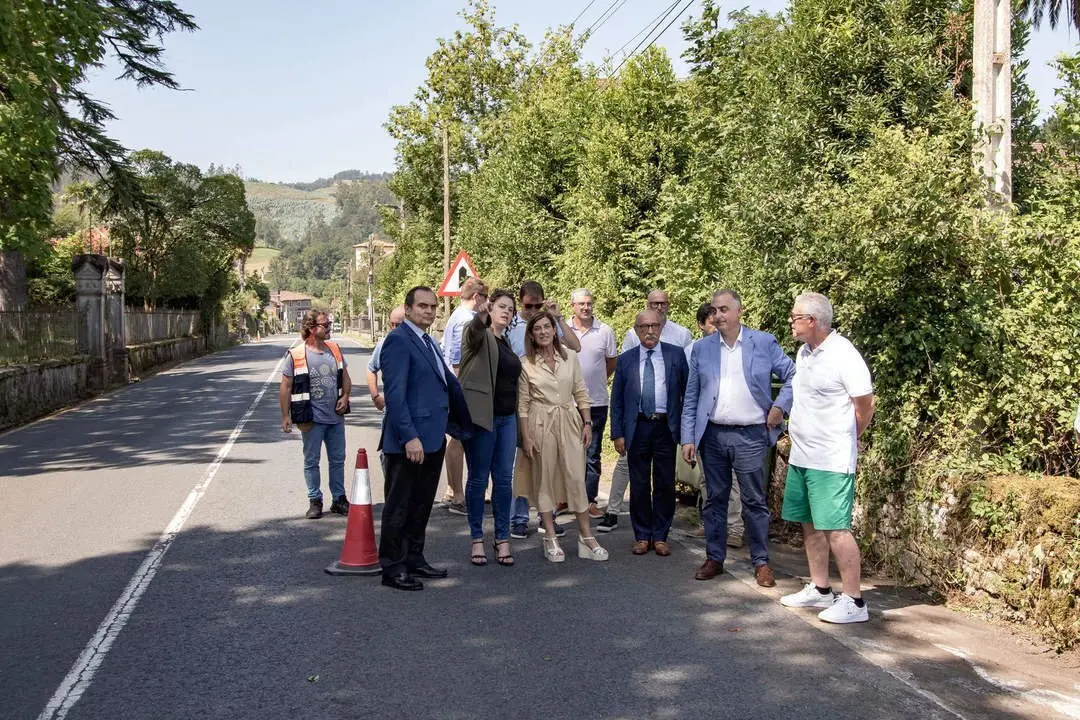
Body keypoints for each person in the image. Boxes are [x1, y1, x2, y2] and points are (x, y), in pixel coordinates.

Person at [681, 289, 795, 587]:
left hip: (751, 435)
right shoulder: (702, 349)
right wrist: (688, 437)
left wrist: (780, 406)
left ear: (739, 311)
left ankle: (761, 562)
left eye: (724, 309)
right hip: (713, 435)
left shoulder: (763, 342)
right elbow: (691, 396)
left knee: (754, 501)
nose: (718, 315)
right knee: (715, 499)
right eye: (714, 310)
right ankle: (714, 558)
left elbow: (793, 375)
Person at [779, 292, 875, 622]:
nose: (791, 322)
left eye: (795, 317)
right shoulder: (804, 352)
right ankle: (821, 589)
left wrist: (850, 436)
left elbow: (865, 404)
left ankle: (854, 601)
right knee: (810, 524)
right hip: (803, 456)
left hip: (831, 459)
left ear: (812, 321)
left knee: (836, 528)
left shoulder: (843, 354)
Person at [378, 286, 472, 591]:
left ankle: (414, 558)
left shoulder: (427, 340)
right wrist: (410, 437)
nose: (429, 311)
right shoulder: (398, 340)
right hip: (411, 442)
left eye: (433, 306)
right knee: (400, 506)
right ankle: (393, 567)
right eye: (422, 306)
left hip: (433, 437)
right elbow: (395, 395)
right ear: (407, 309)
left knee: (421, 505)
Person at [517, 311, 608, 563]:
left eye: (547, 326)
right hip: (540, 421)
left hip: (569, 420)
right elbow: (522, 404)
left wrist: (587, 422)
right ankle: (550, 537)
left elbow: (581, 391)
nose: (543, 332)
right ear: (531, 335)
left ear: (554, 329)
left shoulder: (570, 357)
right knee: (544, 477)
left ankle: (586, 537)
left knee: (576, 477)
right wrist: (526, 437)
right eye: (537, 328)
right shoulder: (526, 364)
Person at [600, 289, 693, 533]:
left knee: (664, 484)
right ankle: (641, 534)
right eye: (644, 327)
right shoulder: (627, 359)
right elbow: (617, 399)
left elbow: (687, 395)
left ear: (661, 328)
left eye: (654, 326)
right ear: (637, 330)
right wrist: (618, 433)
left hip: (665, 427)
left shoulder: (675, 355)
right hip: (638, 426)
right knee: (639, 484)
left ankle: (660, 535)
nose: (650, 331)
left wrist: (687, 433)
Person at [507, 281, 581, 539]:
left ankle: (546, 516)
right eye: (528, 306)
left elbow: (575, 347)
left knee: (550, 463)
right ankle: (518, 518)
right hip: (521, 400)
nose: (532, 311)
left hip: (549, 403)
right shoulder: (511, 326)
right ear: (520, 303)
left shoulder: (547, 324)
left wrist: (558, 318)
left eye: (537, 305)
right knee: (524, 461)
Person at [458, 289, 520, 567]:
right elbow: (473, 330)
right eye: (501, 306)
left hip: (507, 419)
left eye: (511, 309)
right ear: (490, 308)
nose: (506, 312)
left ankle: (502, 538)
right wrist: (480, 315)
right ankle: (476, 538)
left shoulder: (506, 341)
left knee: (504, 481)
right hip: (483, 419)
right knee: (479, 479)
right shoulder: (479, 336)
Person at [279, 310, 353, 519]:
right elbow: (285, 387)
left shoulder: (335, 350)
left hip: (335, 418)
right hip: (311, 419)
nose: (329, 327)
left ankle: (339, 499)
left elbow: (346, 378)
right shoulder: (296, 354)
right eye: (325, 324)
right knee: (312, 460)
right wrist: (285, 416)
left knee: (337, 459)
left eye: (329, 323)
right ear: (311, 328)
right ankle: (315, 500)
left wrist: (345, 396)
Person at [440, 277, 489, 515]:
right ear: (477, 297)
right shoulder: (466, 320)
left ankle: (454, 490)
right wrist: (464, 391)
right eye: (486, 297)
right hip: (463, 386)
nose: (488, 302)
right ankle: (458, 494)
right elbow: (458, 359)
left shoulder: (457, 316)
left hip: (458, 385)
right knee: (459, 439)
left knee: (460, 438)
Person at [569, 288, 618, 519]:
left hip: (596, 401)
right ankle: (566, 498)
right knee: (566, 452)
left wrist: (596, 381)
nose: (585, 307)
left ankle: (589, 500)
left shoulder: (605, 331)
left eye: (589, 303)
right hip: (567, 402)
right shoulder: (562, 329)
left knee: (592, 453)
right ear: (573, 306)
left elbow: (611, 362)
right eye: (581, 304)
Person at [366, 305, 405, 411]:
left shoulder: (425, 343)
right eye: (391, 324)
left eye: (399, 325)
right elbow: (371, 369)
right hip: (393, 409)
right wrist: (375, 397)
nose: (394, 328)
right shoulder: (384, 344)